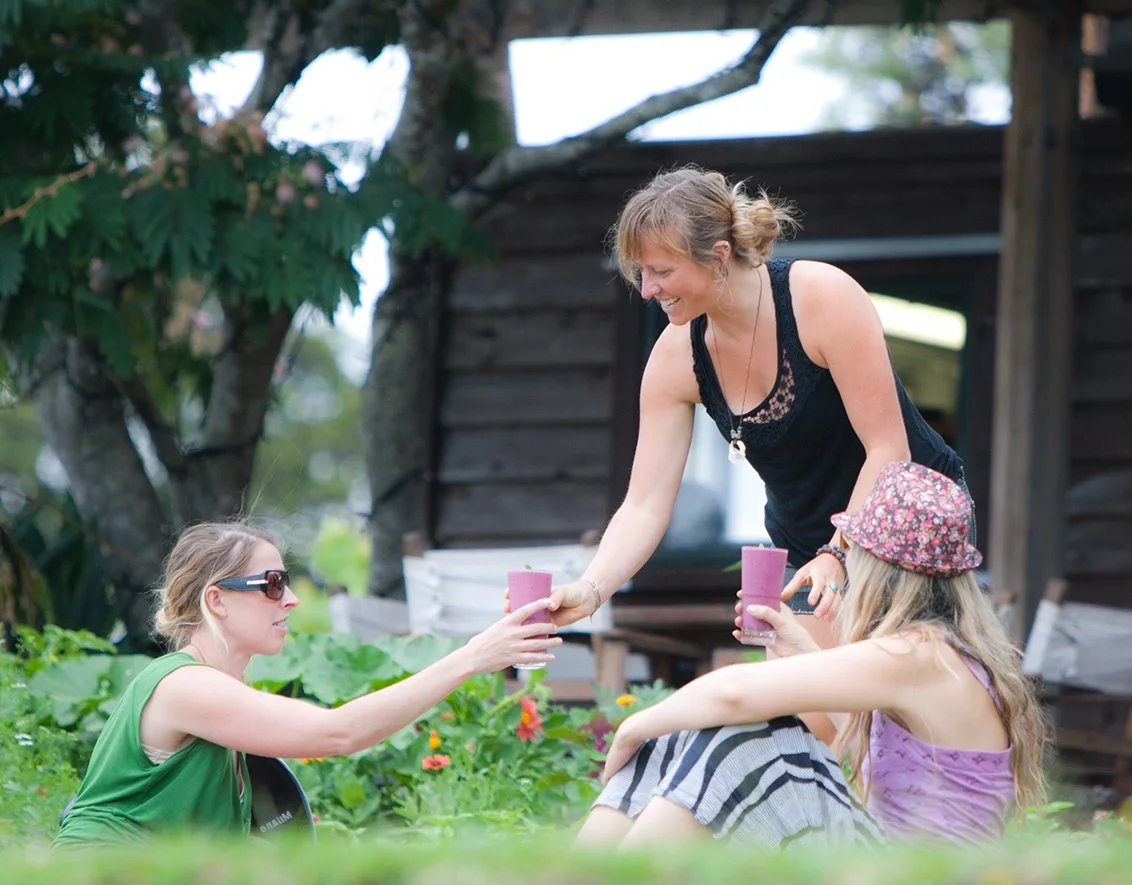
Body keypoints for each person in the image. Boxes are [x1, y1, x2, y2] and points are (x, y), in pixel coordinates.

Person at [546, 167, 969, 739]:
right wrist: (591, 589)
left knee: (907, 723)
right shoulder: (677, 357)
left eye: (662, 271)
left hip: (904, 533)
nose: (647, 289)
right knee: (819, 726)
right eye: (641, 272)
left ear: (719, 256)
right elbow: (645, 504)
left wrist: (839, 553)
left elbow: (888, 449)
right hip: (806, 548)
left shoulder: (819, 296)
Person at [574, 462, 1046, 850]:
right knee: (681, 739)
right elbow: (885, 756)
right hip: (897, 872)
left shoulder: (918, 656)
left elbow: (733, 694)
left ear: (878, 569)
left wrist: (632, 728)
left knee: (737, 740)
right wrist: (801, 647)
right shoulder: (935, 657)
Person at [54, 522, 559, 848]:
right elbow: (339, 734)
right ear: (217, 601)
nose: (292, 599)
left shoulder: (217, 689)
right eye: (273, 584)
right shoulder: (186, 686)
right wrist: (472, 657)